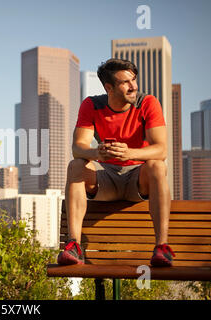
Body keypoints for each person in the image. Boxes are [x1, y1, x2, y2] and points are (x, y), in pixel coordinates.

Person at [57, 58, 175, 267]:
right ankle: (74, 245)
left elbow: (162, 150)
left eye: (134, 80)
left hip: (138, 179)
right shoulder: (92, 105)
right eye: (126, 82)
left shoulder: (147, 103)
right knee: (76, 166)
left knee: (158, 165)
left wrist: (130, 152)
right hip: (108, 180)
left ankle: (162, 247)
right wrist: (97, 153)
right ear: (109, 87)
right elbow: (78, 148)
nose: (134, 86)